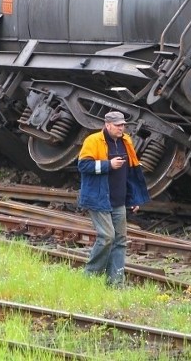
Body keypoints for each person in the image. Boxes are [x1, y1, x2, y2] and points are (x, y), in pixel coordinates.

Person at [77, 111, 150, 285]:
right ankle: (90, 277)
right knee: (107, 237)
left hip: (119, 199)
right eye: (118, 125)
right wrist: (108, 165)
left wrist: (133, 199)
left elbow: (131, 172)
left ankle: (116, 283)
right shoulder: (93, 141)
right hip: (98, 198)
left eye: (123, 125)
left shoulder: (126, 141)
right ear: (107, 124)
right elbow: (83, 165)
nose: (121, 128)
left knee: (120, 241)